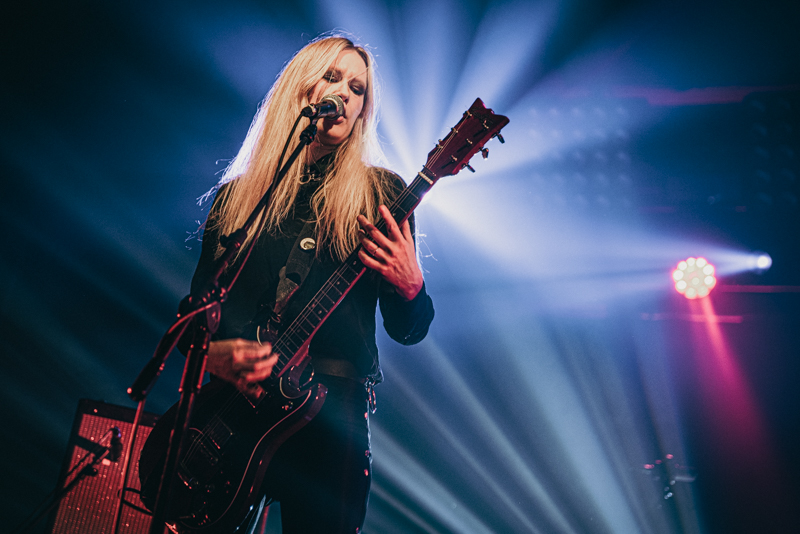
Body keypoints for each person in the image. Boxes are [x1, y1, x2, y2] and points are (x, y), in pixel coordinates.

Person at [188, 34, 434, 533]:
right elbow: (196, 314)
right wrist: (216, 355)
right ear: (300, 90)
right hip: (233, 414)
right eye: (332, 77)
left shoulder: (379, 193)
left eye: (358, 88)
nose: (344, 93)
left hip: (330, 416)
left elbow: (408, 331)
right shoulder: (239, 198)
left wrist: (411, 289)